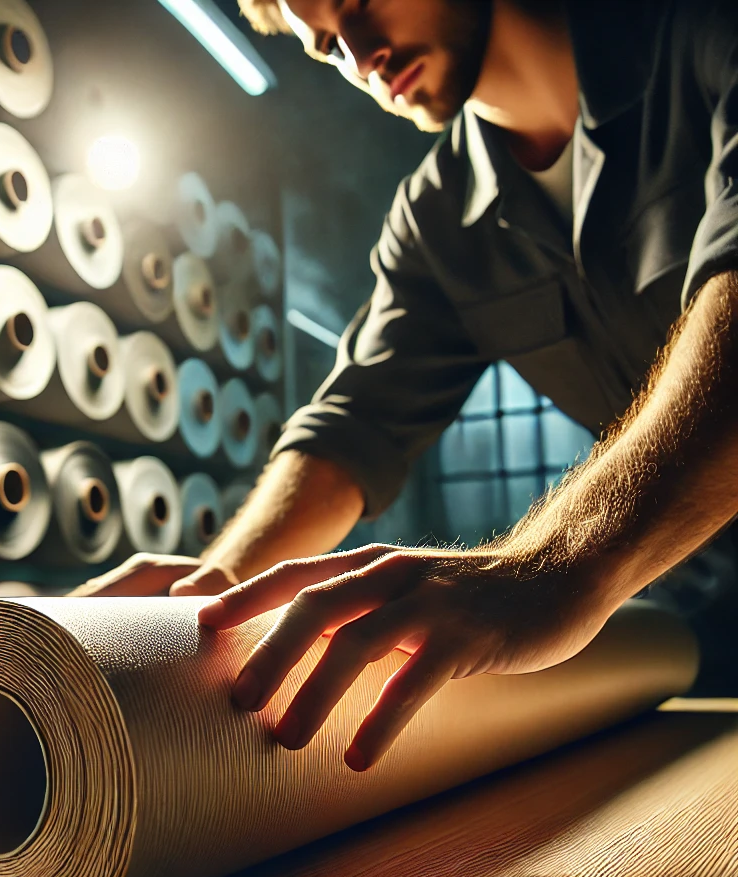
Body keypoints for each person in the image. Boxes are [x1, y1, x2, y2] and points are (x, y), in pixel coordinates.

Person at [81, 0, 738, 772]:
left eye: (356, 2)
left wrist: (553, 565)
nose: (359, 53)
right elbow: (356, 424)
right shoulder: (438, 219)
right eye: (324, 44)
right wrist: (220, 587)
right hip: (703, 617)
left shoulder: (703, 32)